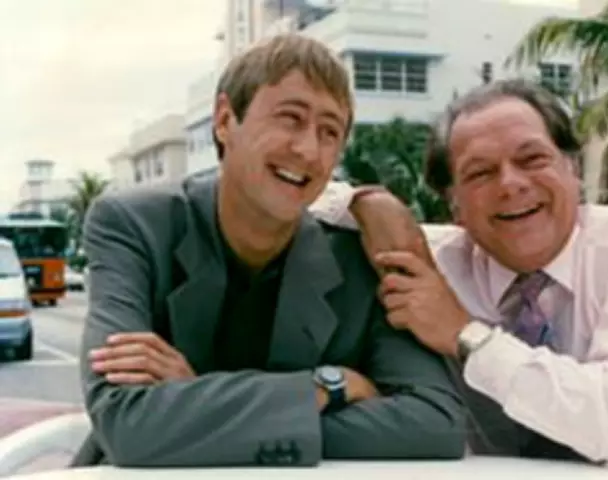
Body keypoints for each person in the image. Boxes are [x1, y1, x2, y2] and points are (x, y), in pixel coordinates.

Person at [71, 34, 465, 468]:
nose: (308, 150)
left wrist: (194, 402)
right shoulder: (135, 226)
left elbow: (435, 424)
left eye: (329, 132)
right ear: (225, 120)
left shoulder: (363, 255)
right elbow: (127, 423)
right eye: (290, 119)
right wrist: (328, 388)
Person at [311, 78, 608, 470]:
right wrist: (370, 201)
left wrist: (465, 336)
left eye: (532, 159)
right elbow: (293, 189)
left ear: (573, 169)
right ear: (454, 205)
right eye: (480, 173)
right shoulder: (434, 262)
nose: (511, 185)